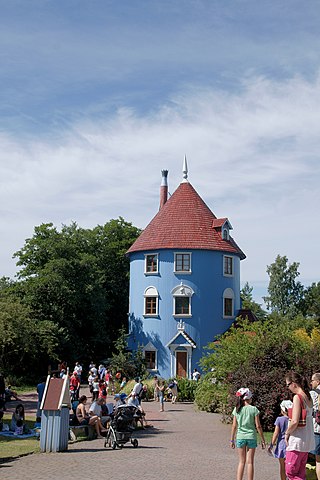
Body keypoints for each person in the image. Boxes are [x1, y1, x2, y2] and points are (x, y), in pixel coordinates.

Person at [230, 387, 266, 480]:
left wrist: (232, 439)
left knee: (241, 462)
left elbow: (234, 426)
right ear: (249, 398)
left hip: (240, 437)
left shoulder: (237, 409)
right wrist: (263, 440)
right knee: (250, 462)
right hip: (251, 437)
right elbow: (258, 426)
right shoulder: (254, 409)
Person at [284, 371, 315, 480]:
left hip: (297, 440)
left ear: (294, 384)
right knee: (301, 473)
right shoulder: (308, 397)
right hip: (307, 440)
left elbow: (294, 421)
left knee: (290, 472)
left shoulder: (298, 397)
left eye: (288, 385)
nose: (288, 388)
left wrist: (286, 433)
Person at [268, 400, 292, 480]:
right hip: (290, 443)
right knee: (290, 465)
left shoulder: (279, 419)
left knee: (282, 466)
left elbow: (276, 433)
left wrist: (271, 444)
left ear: (282, 410)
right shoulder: (292, 420)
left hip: (281, 445)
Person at [310, 373, 320, 480]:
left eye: (312, 380)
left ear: (318, 382)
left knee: (318, 461)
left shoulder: (312, 394)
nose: (311, 382)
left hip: (316, 429)